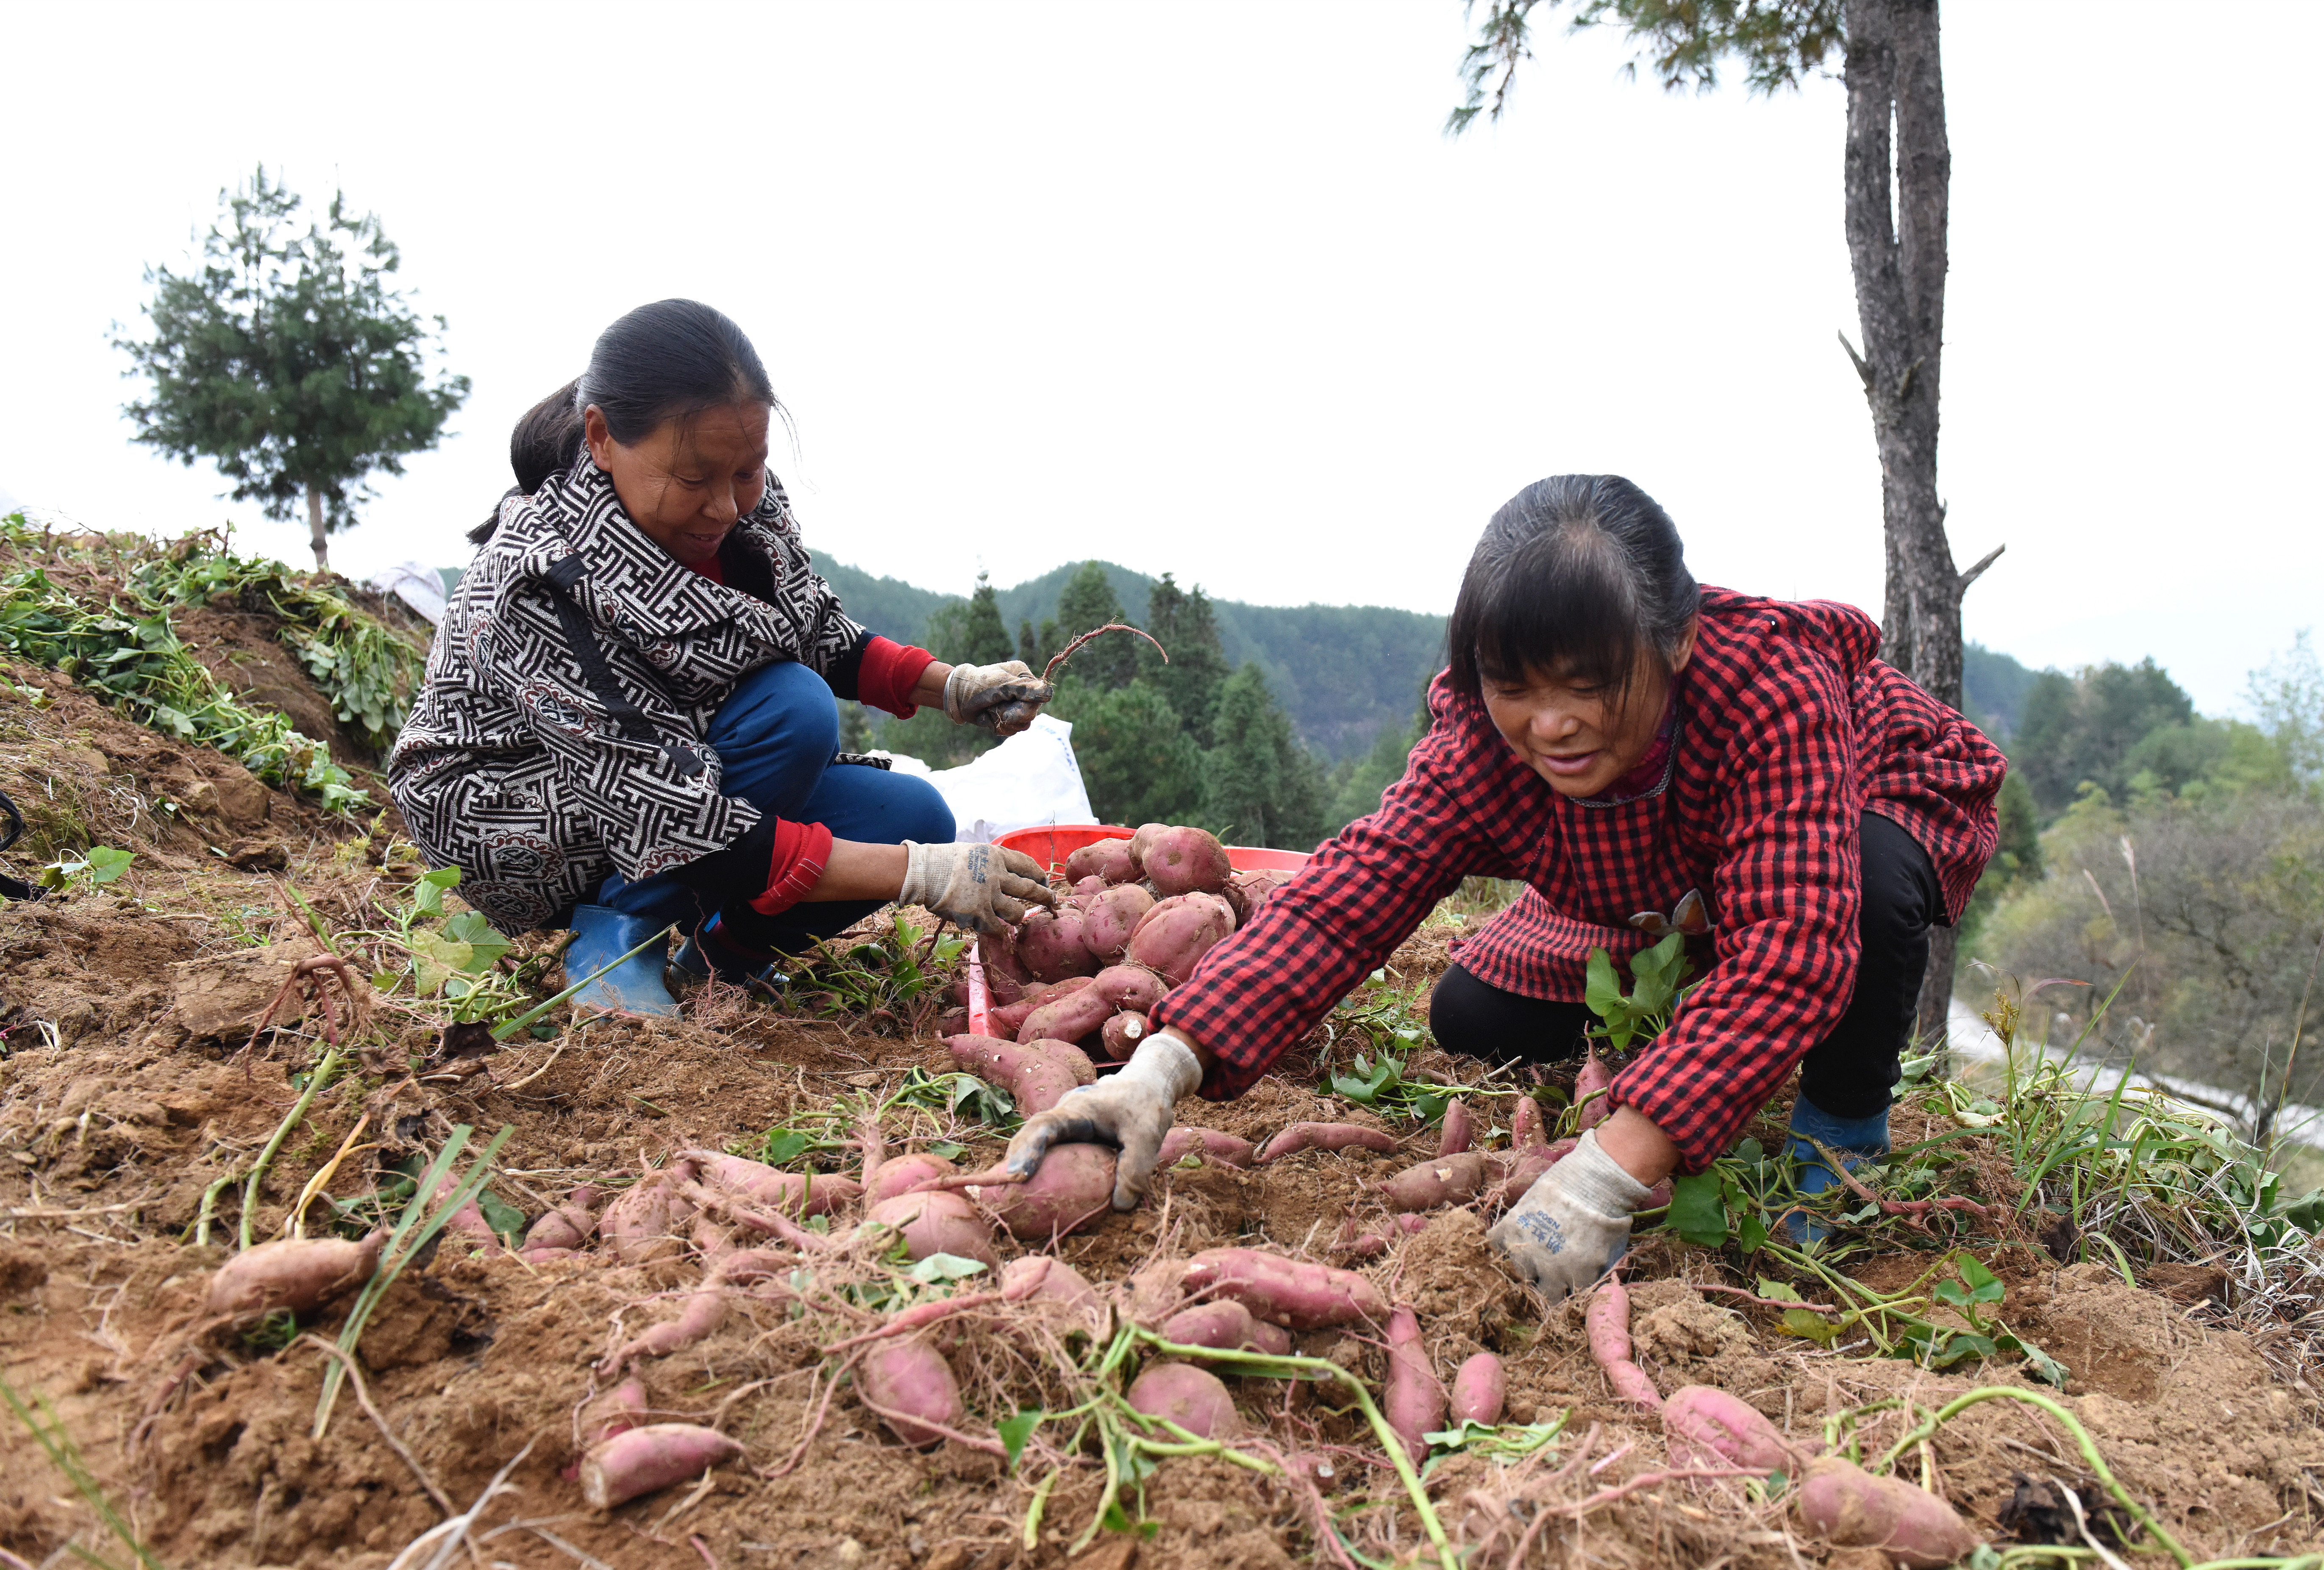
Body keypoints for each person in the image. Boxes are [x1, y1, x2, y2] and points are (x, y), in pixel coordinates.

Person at [1003, 474, 2005, 1302]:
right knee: (1471, 1010)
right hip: (1654, 877)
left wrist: (1614, 1170)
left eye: (1586, 683)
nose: (1551, 724)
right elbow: (1353, 887)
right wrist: (1164, 1066)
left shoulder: (1770, 690)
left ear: (1677, 642)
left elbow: (1794, 950)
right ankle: (1700, 1031)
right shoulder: (1486, 741)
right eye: (1515, 685)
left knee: (1863, 901)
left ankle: (1840, 1127)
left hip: (1854, 811)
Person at [389, 299, 1058, 1014]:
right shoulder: (540, 580)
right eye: (695, 479)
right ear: (603, 438)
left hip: (683, 766)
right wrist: (921, 877)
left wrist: (952, 687)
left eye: (748, 470)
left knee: (914, 813)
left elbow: (814, 627)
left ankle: (716, 962)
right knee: (796, 713)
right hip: (517, 808)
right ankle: (616, 937)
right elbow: (672, 813)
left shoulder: (742, 504)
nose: (726, 506)